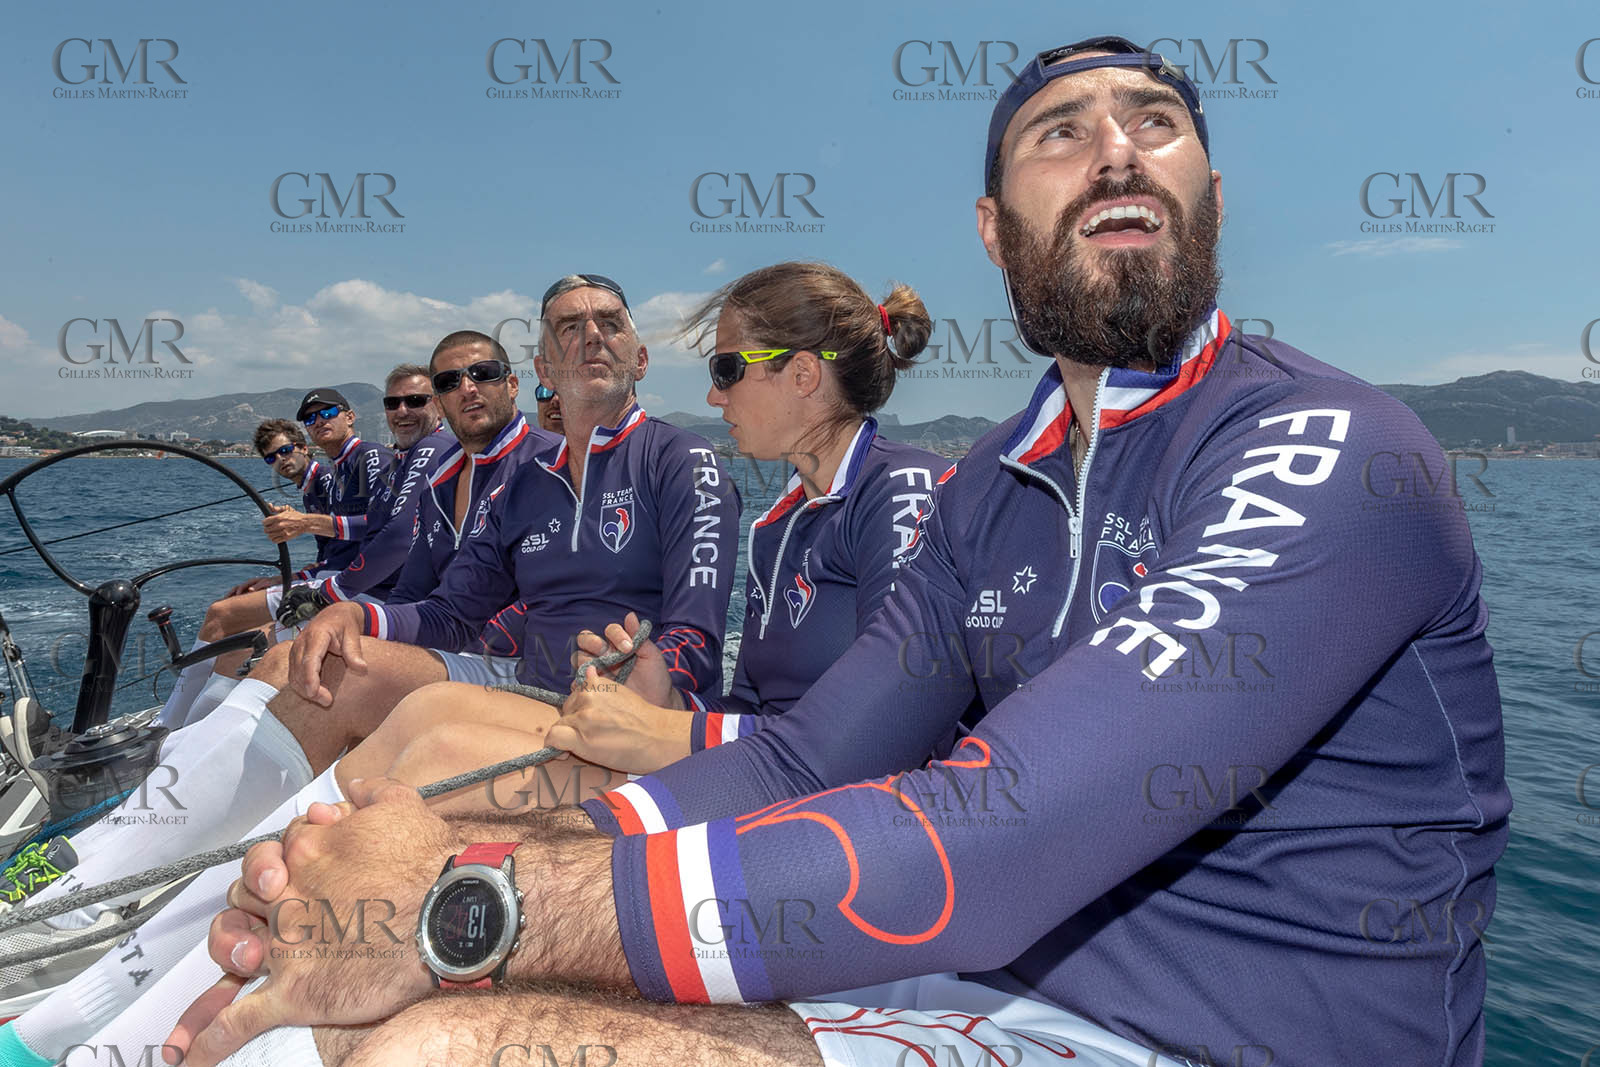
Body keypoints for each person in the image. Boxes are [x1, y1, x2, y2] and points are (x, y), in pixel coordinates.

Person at [162, 36, 1508, 1067]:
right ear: (993, 230)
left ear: (1207, 193)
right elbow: (811, 757)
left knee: (448, 1038)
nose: (1114, 148)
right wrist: (413, 850)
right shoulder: (996, 484)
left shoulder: (1329, 444)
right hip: (987, 979)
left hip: (1209, 1036)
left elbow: (1003, 830)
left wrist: (469, 900)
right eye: (1059, 132)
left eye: (1155, 124)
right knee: (403, 959)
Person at [0, 261, 948, 1067]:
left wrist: (665, 713)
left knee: (427, 755)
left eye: (729, 366)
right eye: (567, 329)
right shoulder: (780, 516)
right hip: (659, 722)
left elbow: (841, 707)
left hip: (761, 773)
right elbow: (455, 606)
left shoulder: (867, 484)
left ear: (806, 377)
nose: (714, 392)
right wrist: (349, 609)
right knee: (384, 701)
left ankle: (134, 1016)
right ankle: (110, 984)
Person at [152, 373, 434, 731]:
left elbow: (381, 528)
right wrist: (293, 572)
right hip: (342, 577)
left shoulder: (367, 458)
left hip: (370, 587)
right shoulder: (336, 472)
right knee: (236, 631)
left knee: (222, 616)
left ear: (348, 417)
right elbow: (335, 550)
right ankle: (192, 725)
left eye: (327, 413)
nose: (319, 422)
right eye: (311, 418)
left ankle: (172, 727)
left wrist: (307, 523)